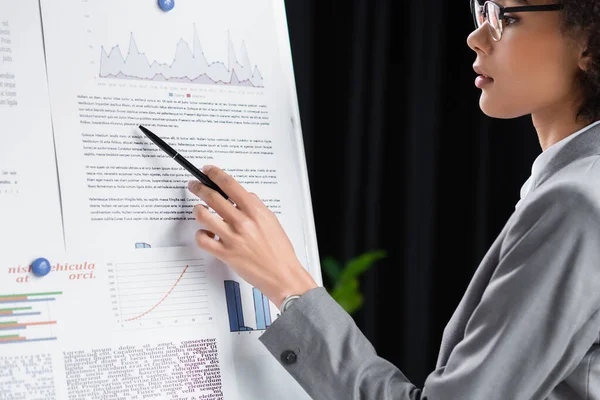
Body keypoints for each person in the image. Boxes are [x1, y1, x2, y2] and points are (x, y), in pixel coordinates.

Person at [186, 0, 600, 398]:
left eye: (504, 17)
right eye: (482, 9)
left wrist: (289, 283)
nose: (477, 37)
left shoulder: (576, 202)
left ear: (588, 42)